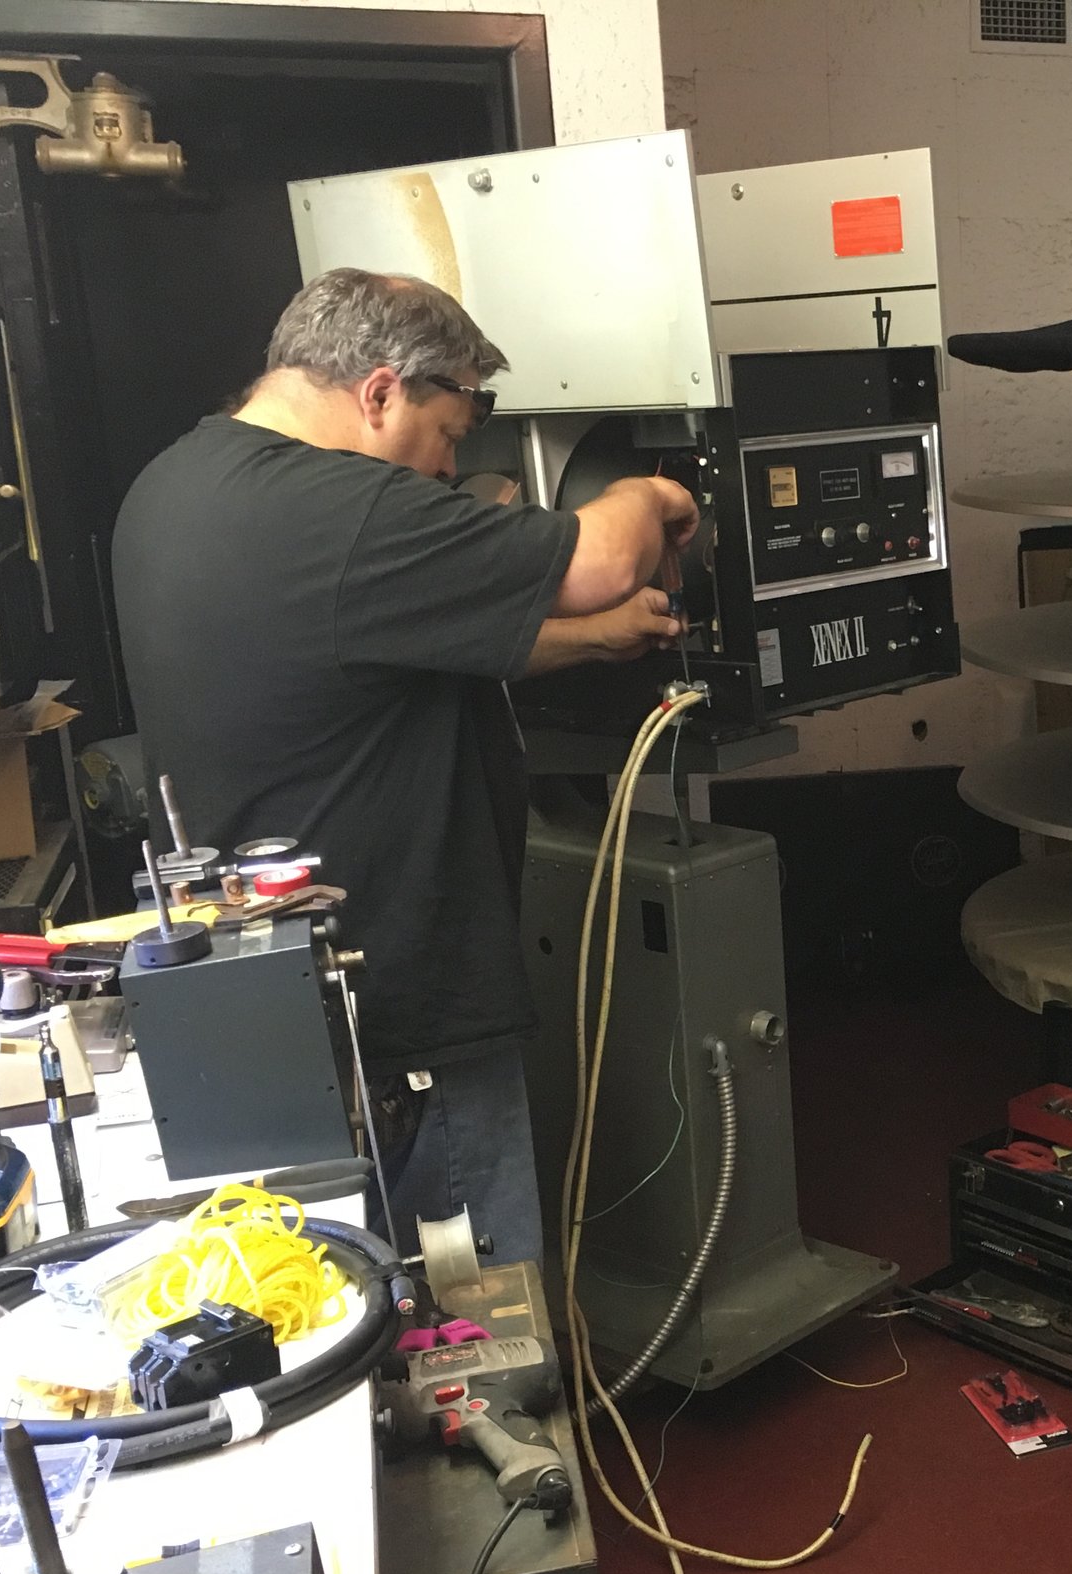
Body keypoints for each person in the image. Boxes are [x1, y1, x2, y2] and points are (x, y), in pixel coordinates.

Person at [112, 267, 698, 1264]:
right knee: (484, 1328)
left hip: (271, 998)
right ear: (380, 392)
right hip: (408, 1007)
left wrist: (591, 641)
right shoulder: (341, 510)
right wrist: (655, 492)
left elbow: (378, 654)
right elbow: (601, 557)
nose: (442, 466)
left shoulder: (178, 483)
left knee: (345, 1297)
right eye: (450, 433)